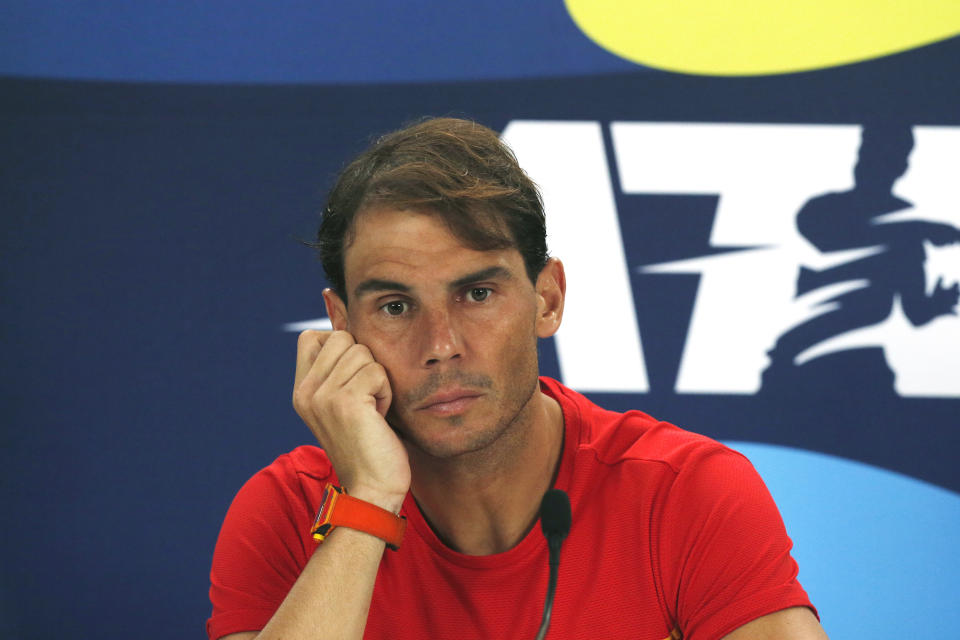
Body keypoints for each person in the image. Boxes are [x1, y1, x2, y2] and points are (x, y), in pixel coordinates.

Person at [207, 117, 828, 640]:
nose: (441, 346)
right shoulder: (287, 508)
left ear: (547, 300)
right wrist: (367, 501)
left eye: (477, 294)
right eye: (395, 307)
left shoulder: (685, 492)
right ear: (342, 326)